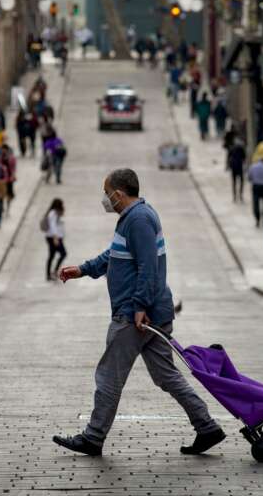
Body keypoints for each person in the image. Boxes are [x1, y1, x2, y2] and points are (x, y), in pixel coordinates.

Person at [53, 169, 225, 457]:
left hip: (136, 315)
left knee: (109, 376)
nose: (105, 199)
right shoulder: (132, 219)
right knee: (167, 376)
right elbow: (114, 255)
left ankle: (93, 437)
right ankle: (206, 426)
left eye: (107, 193)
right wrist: (83, 269)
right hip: (150, 312)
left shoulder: (140, 219)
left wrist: (139, 307)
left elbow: (148, 267)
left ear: (119, 194)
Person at [44, 198, 67, 281]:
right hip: (53, 238)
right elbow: (53, 226)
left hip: (55, 237)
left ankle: (50, 274)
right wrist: (55, 238)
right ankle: (53, 272)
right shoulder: (53, 213)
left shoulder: (56, 213)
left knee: (52, 255)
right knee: (63, 253)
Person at [227, 138, 246, 203]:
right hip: (239, 167)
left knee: (234, 182)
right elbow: (244, 158)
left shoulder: (231, 148)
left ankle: (235, 196)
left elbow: (228, 158)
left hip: (234, 167)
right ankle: (240, 195)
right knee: (241, 181)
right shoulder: (241, 149)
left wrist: (228, 166)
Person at [2, 143, 17, 215]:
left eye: (4, 149)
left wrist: (13, 176)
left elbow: (13, 168)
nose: (3, 151)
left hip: (9, 179)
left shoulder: (12, 158)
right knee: (2, 194)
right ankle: (2, 207)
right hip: (2, 179)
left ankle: (8, 208)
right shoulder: (0, 157)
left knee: (8, 194)